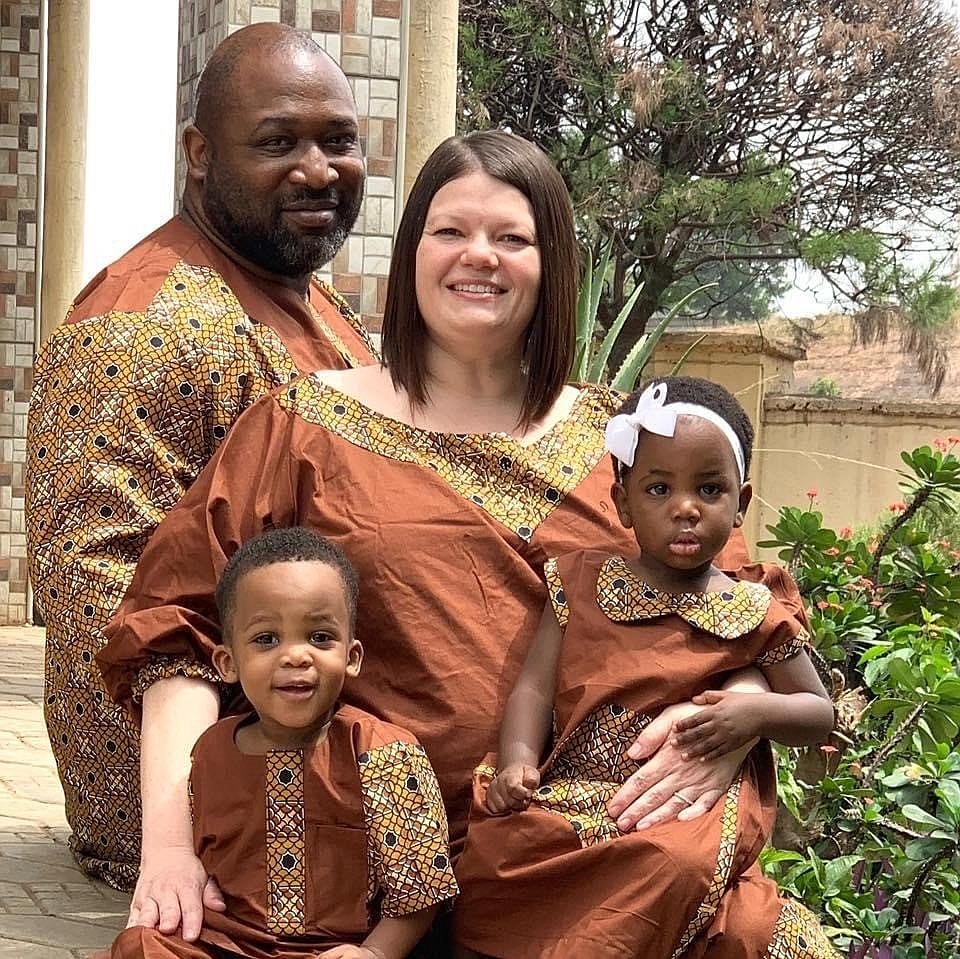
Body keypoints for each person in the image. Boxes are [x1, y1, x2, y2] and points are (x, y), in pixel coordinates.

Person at [98, 131, 807, 951]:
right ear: (410, 253)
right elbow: (176, 635)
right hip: (349, 870)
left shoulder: (635, 445)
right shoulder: (301, 427)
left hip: (583, 856)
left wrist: (725, 727)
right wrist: (174, 848)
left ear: (554, 266)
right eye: (450, 232)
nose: (481, 257)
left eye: (513, 237)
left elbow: (747, 613)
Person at [25, 22, 376, 894]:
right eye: (277, 141)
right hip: (218, 788)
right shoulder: (142, 327)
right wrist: (178, 825)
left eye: (338, 140)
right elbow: (98, 599)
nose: (317, 169)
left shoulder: (319, 309)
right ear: (199, 153)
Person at [451, 376, 837, 958]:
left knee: (674, 864)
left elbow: (818, 713)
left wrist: (755, 713)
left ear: (742, 504)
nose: (685, 509)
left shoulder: (755, 610)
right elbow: (532, 688)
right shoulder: (579, 582)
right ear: (623, 501)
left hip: (685, 808)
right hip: (577, 791)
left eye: (709, 490)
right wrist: (518, 762)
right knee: (491, 863)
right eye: (659, 489)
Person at [109, 527, 458, 959]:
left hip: (335, 951)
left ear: (351, 658)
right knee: (139, 947)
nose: (296, 656)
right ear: (228, 663)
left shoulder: (383, 753)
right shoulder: (211, 752)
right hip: (229, 943)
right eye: (267, 639)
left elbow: (423, 891)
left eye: (319, 637)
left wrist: (375, 954)